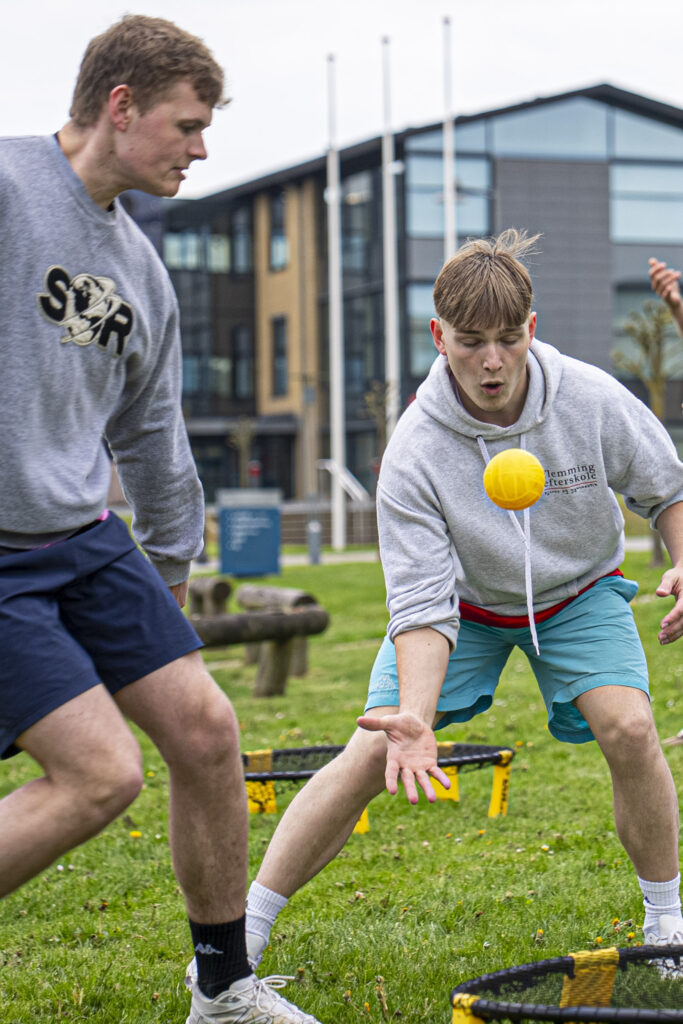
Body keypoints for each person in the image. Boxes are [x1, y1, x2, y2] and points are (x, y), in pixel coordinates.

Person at [245, 230, 683, 971]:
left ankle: (667, 927)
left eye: (507, 340)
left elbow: (667, 490)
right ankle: (238, 941)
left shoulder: (588, 398)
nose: (490, 361)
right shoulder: (416, 448)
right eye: (471, 341)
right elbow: (420, 602)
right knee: (367, 753)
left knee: (632, 728)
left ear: (530, 331)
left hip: (576, 594)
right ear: (437, 335)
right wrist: (413, 718)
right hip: (466, 607)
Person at [0, 15, 321, 1024]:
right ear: (120, 105)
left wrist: (168, 576)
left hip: (81, 536)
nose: (202, 147)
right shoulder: (7, 193)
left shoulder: (142, 272)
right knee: (99, 774)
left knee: (206, 727)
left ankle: (221, 986)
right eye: (187, 125)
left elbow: (152, 439)